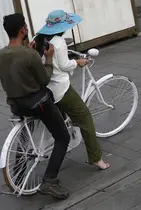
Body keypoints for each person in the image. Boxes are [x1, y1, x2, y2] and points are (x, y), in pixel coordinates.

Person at [0, 13, 71, 200]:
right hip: (38, 103)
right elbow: (44, 79)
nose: (27, 28)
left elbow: (15, 72)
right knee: (62, 137)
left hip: (16, 105)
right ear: (22, 29)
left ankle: (18, 177)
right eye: (26, 26)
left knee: (24, 137)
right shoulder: (29, 54)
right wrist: (49, 58)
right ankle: (49, 181)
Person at [34, 10, 110, 171]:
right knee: (85, 117)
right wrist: (78, 61)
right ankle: (96, 158)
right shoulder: (59, 42)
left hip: (46, 87)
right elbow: (64, 65)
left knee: (64, 117)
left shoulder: (40, 38)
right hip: (60, 89)